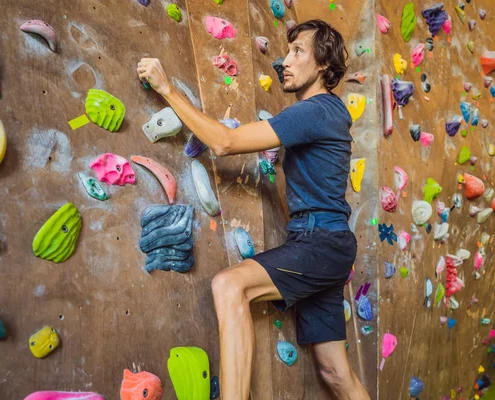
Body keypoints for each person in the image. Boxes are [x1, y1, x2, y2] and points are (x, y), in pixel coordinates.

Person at [137, 19, 370, 400]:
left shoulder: (316, 109)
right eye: (286, 51)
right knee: (334, 372)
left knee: (229, 285)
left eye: (298, 52)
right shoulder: (327, 114)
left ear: (324, 66)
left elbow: (225, 142)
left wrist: (166, 89)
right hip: (329, 243)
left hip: (321, 240)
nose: (285, 61)